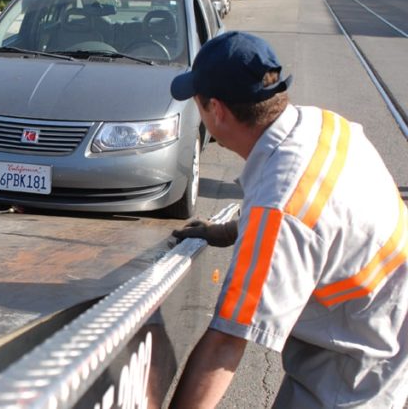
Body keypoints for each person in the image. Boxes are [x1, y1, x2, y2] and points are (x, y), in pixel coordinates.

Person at [166, 31, 408, 408]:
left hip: (355, 375)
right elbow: (312, 212)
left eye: (198, 106)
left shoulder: (279, 209)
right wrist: (230, 230)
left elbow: (227, 342)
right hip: (385, 327)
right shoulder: (323, 125)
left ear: (218, 111)